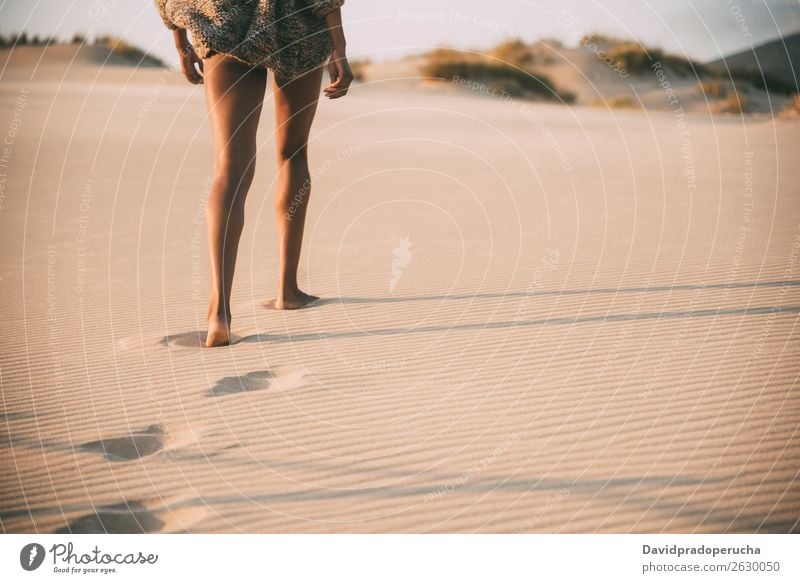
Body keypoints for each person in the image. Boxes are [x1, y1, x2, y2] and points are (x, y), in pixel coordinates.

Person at [154, 1, 353, 347]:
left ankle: (220, 312)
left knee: (230, 165)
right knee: (293, 153)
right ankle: (287, 290)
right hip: (299, 27)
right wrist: (340, 47)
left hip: (223, 22)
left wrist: (180, 40)